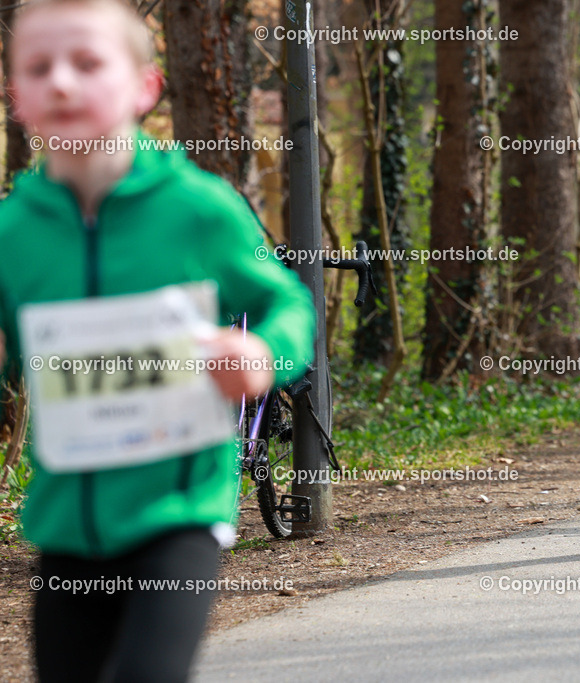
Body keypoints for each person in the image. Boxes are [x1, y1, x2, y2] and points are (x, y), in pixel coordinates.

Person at [0, 1, 316, 680]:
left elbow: (284, 303)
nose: (61, 82)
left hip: (177, 513)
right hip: (65, 528)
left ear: (146, 87)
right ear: (16, 95)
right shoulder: (13, 234)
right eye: (37, 67)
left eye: (87, 63)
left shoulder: (196, 209)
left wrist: (264, 354)